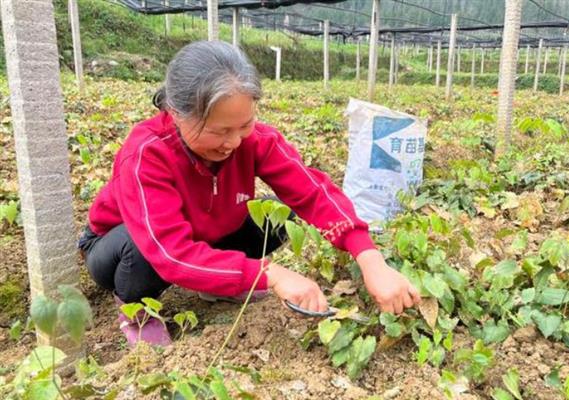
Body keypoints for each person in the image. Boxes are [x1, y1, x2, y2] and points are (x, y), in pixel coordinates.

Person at [79, 40, 421, 347]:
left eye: (244, 126)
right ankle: (136, 309)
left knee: (279, 215)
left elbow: (313, 193)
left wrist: (369, 258)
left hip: (206, 231)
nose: (233, 142)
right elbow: (169, 252)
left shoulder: (254, 141)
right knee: (143, 250)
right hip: (123, 248)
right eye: (219, 131)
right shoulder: (147, 154)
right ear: (176, 113)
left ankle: (215, 282)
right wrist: (267, 273)